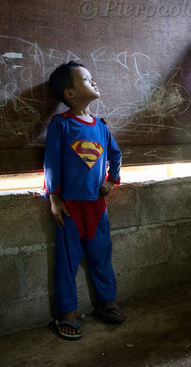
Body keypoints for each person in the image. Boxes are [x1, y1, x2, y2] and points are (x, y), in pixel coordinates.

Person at [44, 61, 124, 340]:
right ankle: (67, 313)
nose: (95, 82)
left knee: (102, 255)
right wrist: (54, 198)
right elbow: (51, 163)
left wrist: (112, 180)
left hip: (97, 206)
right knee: (67, 262)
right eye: (87, 79)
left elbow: (116, 155)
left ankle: (107, 302)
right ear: (70, 94)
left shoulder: (101, 126)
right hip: (69, 208)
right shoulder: (61, 124)